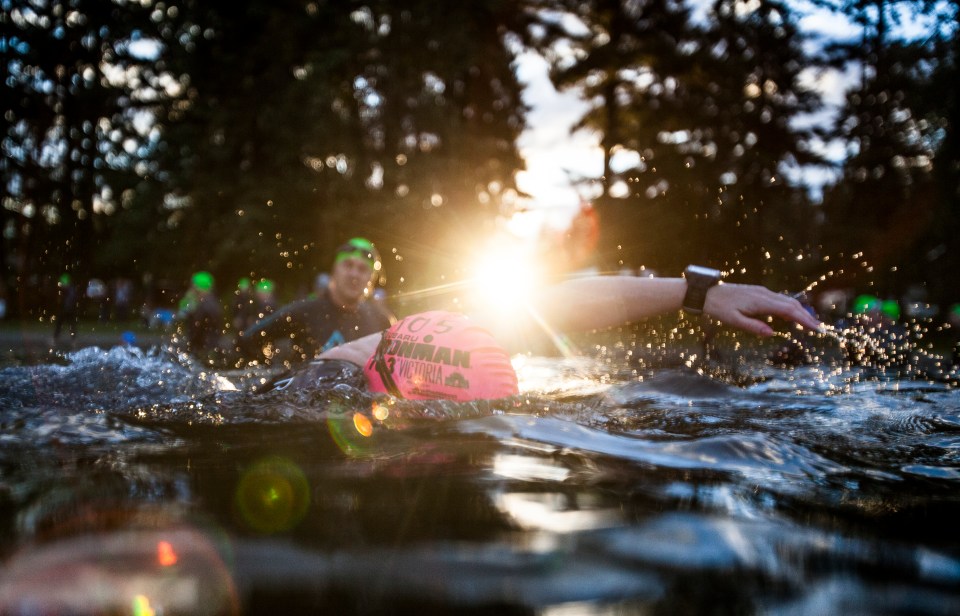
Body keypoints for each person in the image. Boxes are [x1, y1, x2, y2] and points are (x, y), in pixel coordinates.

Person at [271, 269, 823, 401]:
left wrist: (696, 292)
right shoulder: (322, 386)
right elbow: (548, 303)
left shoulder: (388, 344)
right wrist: (694, 292)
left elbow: (549, 302)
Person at [240, 238, 395, 363]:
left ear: (371, 279)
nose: (354, 274)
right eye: (348, 265)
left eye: (362, 269)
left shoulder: (381, 322)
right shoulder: (305, 311)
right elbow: (249, 340)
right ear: (334, 270)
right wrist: (273, 371)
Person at [177, 271, 224, 354]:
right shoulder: (210, 302)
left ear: (198, 288)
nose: (191, 288)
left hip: (205, 350)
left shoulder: (205, 304)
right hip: (209, 348)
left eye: (192, 286)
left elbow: (196, 328)